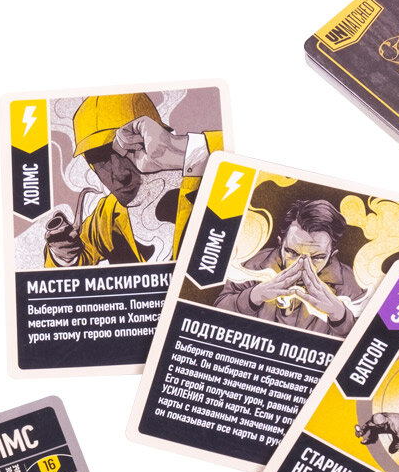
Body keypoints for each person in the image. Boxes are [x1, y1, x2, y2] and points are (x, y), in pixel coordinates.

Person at [44, 94, 223, 266]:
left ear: (159, 137)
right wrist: (62, 253)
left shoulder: (209, 181)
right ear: (91, 166)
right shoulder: (107, 215)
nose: (120, 174)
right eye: (101, 158)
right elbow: (72, 263)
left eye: (130, 149)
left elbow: (236, 159)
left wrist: (178, 149)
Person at [214, 199, 365, 337]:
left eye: (317, 257)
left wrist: (340, 316)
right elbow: (216, 313)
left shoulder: (349, 284)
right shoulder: (256, 265)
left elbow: (364, 341)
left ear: (332, 255)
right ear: (280, 244)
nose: (302, 266)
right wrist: (254, 296)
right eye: (292, 252)